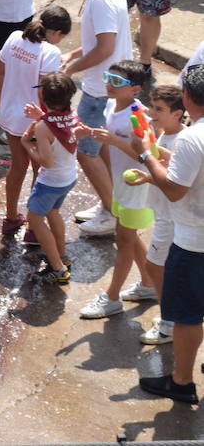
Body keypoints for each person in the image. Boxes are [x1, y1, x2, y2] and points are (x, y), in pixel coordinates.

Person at [132, 64, 204, 403]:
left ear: (187, 98)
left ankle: (181, 381)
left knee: (188, 318)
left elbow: (175, 189)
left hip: (193, 245)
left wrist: (146, 154)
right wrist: (160, 153)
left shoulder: (192, 137)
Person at [77, 59, 159, 319]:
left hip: (137, 187)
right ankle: (149, 285)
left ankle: (112, 298)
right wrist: (90, 132)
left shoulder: (138, 117)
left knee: (123, 241)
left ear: (135, 88)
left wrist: (112, 140)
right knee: (131, 237)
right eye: (107, 78)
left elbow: (144, 157)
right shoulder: (112, 104)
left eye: (117, 82)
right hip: (122, 186)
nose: (109, 85)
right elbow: (110, 136)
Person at [64, 0, 135, 236]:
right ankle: (110, 205)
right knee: (102, 150)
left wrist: (71, 70)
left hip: (99, 91)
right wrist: (74, 53)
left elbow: (106, 48)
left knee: (86, 151)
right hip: (107, 88)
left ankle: (111, 217)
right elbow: (100, 41)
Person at [0, 6, 71, 237]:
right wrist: (48, 120)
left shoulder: (15, 37)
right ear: (56, 33)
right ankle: (33, 226)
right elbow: (43, 92)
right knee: (41, 171)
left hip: (10, 114)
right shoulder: (51, 53)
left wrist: (0, 103)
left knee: (18, 165)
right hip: (35, 119)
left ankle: (10, 217)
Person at [21, 71, 81, 284]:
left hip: (50, 182)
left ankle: (57, 268)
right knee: (53, 212)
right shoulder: (73, 115)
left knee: (35, 220)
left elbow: (45, 161)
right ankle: (62, 255)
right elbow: (59, 127)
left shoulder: (44, 127)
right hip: (68, 177)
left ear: (44, 97)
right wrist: (41, 116)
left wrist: (27, 145)